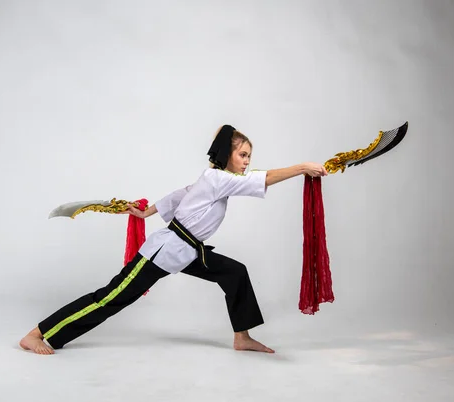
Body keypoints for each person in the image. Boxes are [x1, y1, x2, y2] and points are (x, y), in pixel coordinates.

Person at [19, 125, 328, 355]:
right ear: (227, 155)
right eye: (242, 154)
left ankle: (242, 337)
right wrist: (302, 167)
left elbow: (176, 197)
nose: (247, 161)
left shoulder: (209, 181)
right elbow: (259, 179)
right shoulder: (218, 178)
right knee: (111, 297)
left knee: (235, 272)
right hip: (163, 252)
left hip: (189, 252)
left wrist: (143, 213)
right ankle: (38, 333)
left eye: (249, 156)